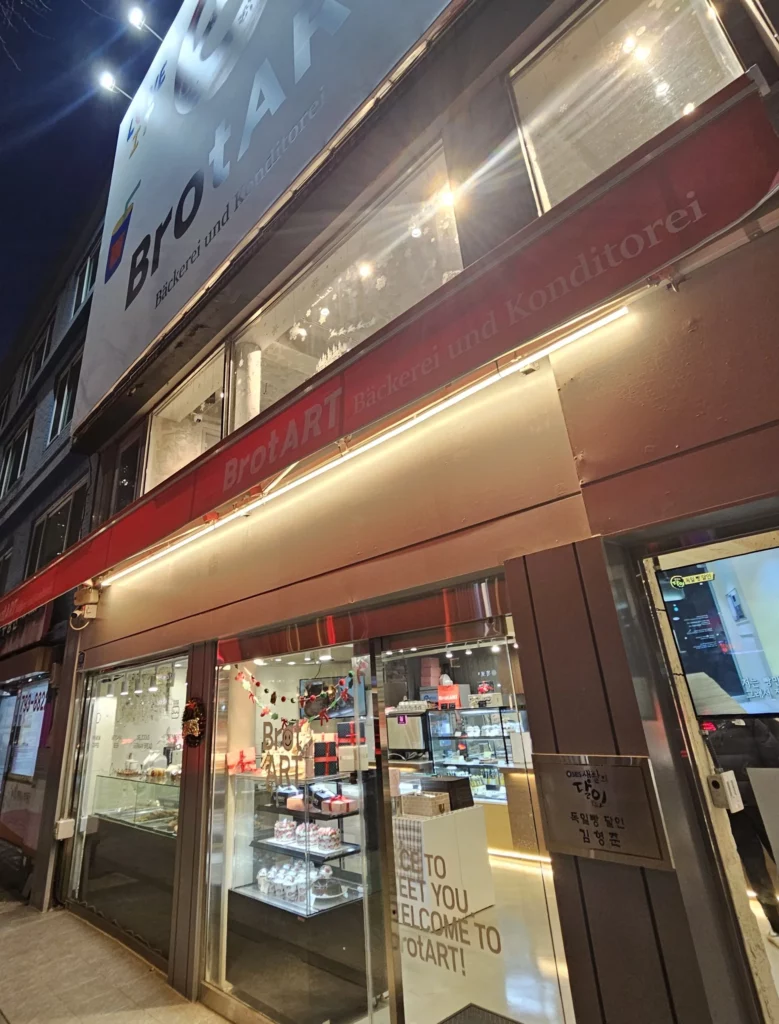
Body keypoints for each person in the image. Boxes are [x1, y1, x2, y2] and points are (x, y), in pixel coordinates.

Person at [708, 718, 779, 945]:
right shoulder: (756, 722)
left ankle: (776, 925)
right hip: (764, 799)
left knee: (754, 866)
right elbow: (773, 757)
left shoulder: (705, 730)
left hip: (732, 806)